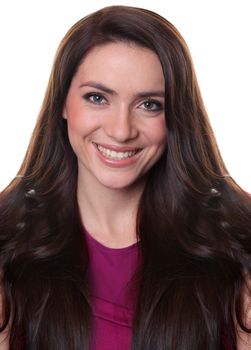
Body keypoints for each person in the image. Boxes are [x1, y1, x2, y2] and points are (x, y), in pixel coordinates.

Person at [0, 5, 251, 350]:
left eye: (149, 104)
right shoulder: (7, 245)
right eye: (97, 98)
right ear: (62, 102)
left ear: (176, 114)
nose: (121, 131)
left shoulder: (238, 247)